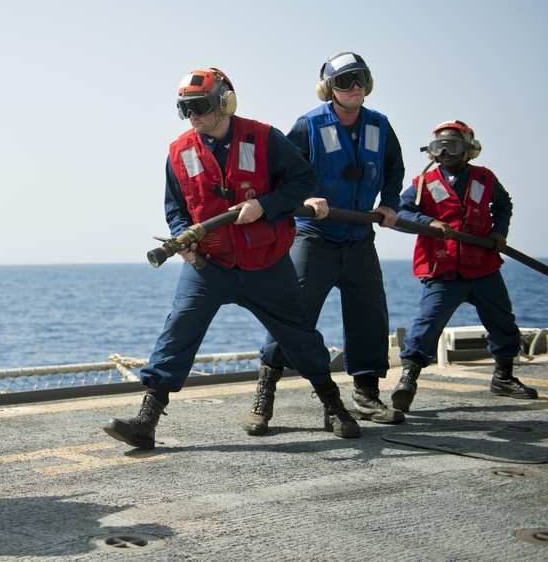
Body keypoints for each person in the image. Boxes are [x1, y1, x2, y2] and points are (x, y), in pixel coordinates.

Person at [103, 67, 361, 450]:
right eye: (184, 109)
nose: (192, 116)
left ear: (225, 102)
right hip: (210, 265)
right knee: (177, 334)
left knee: (300, 337)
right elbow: (176, 208)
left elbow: (304, 182)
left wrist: (265, 205)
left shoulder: (265, 138)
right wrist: (183, 240)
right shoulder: (179, 152)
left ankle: (334, 406)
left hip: (266, 262)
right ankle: (146, 420)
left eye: (199, 106)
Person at [253, 52, 406, 435]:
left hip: (359, 239)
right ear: (329, 88)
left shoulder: (380, 125)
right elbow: (279, 175)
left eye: (360, 79)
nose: (354, 87)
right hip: (315, 239)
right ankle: (264, 391)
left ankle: (367, 395)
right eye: (344, 81)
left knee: (370, 314)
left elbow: (393, 168)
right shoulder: (307, 126)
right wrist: (303, 201)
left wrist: (389, 202)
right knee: (292, 315)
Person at [390, 121, 538, 411]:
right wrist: (429, 223)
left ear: (469, 149)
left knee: (503, 323)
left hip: (483, 268)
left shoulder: (486, 179)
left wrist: (499, 232)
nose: (445, 151)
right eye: (438, 146)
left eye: (453, 145)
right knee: (426, 325)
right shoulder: (422, 185)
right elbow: (399, 214)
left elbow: (503, 205)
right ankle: (408, 379)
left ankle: (504, 377)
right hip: (443, 272)